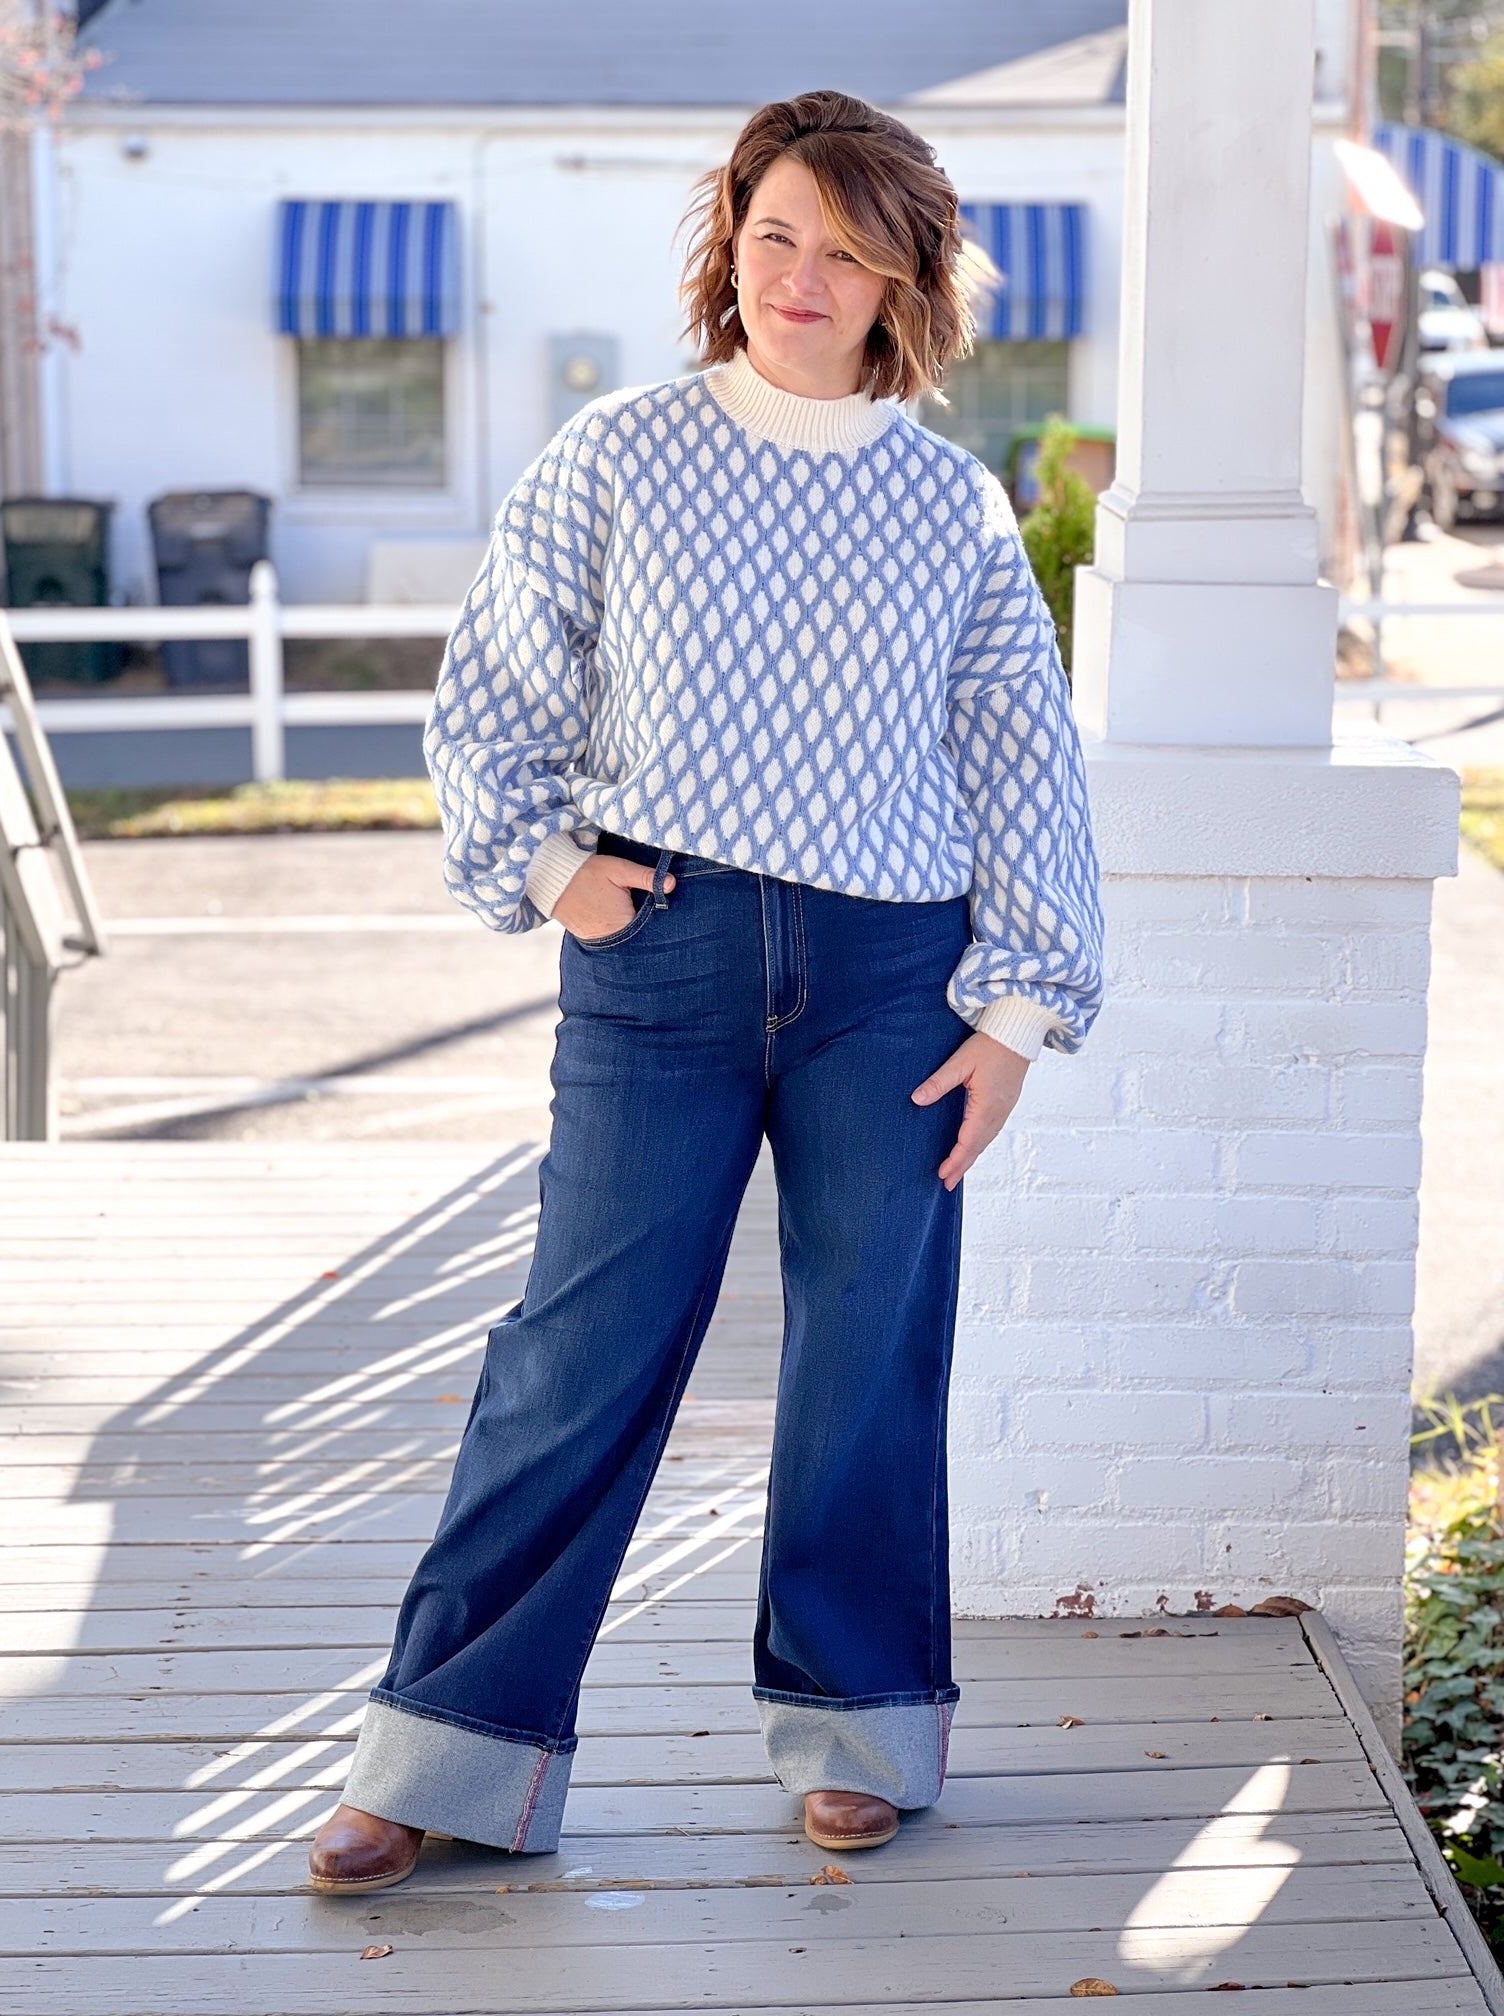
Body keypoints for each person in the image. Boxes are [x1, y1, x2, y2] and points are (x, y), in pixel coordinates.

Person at [309, 87, 1104, 1894]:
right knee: (575, 1352)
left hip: (893, 983)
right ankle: (447, 1753)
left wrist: (1020, 1014)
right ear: (726, 242)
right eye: (773, 237)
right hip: (656, 955)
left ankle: (863, 1729)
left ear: (904, 274)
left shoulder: (952, 506)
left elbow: (1020, 761)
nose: (802, 277)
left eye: (844, 247)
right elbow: (495, 678)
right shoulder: (620, 455)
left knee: (866, 1356)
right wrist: (541, 864)